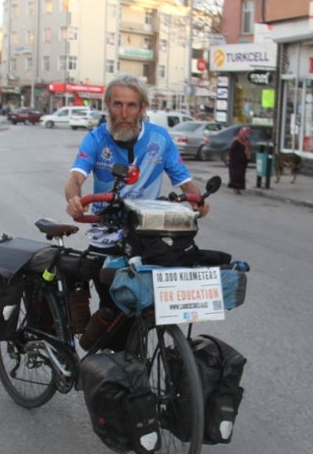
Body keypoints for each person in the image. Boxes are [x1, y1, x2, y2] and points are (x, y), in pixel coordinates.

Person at [64, 73, 209, 307]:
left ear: (143, 107)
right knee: (112, 307)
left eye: (131, 105)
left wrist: (198, 200)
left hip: (147, 233)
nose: (124, 113)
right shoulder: (96, 138)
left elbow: (183, 179)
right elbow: (75, 177)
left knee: (155, 302)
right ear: (108, 105)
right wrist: (74, 199)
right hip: (106, 235)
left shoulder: (159, 138)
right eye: (118, 104)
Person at [227, 126, 252, 194]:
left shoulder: (247, 141)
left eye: (248, 133)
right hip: (235, 161)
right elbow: (232, 150)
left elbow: (249, 149)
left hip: (243, 161)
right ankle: (236, 188)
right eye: (246, 132)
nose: (247, 134)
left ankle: (239, 188)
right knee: (236, 175)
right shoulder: (237, 140)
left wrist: (248, 156)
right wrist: (232, 159)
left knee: (241, 175)